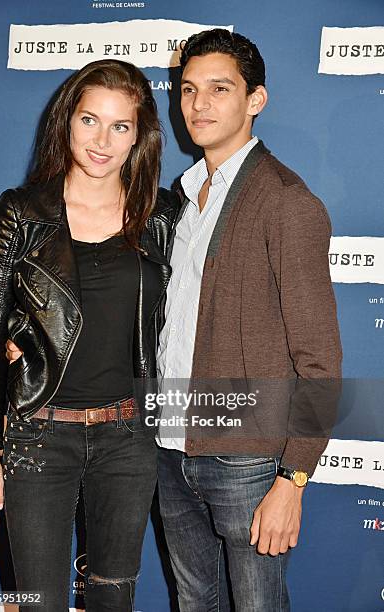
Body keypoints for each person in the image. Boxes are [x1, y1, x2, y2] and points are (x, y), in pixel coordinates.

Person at [0, 59, 177, 612]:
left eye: (120, 126)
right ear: (67, 120)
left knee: (114, 599)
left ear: (139, 135)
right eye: (90, 120)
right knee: (37, 601)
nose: (102, 141)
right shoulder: (18, 213)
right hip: (39, 438)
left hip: (128, 439)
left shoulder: (162, 215)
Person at [156, 29, 342, 611]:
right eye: (188, 90)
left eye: (219, 89)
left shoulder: (287, 201)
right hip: (168, 445)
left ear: (255, 100)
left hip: (249, 461)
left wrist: (294, 479)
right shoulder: (181, 201)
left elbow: (319, 359)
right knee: (194, 603)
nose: (199, 105)